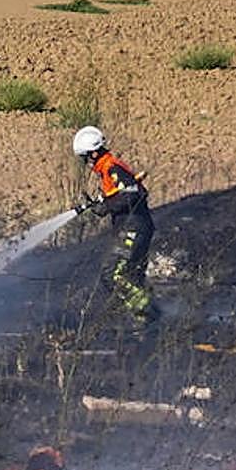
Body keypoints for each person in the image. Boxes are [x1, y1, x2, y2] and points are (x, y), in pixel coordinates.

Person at [72, 126, 156, 324]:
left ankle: (147, 309)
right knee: (133, 276)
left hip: (133, 229)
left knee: (112, 274)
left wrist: (107, 206)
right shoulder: (107, 169)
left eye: (85, 158)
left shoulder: (111, 167)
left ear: (94, 153)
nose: (86, 163)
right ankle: (147, 324)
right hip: (135, 227)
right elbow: (121, 193)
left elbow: (134, 193)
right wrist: (104, 203)